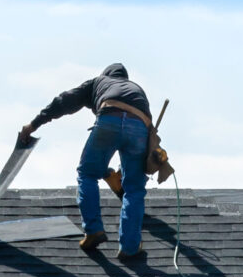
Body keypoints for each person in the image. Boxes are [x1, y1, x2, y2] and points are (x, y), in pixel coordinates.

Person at [22, 63, 163, 262]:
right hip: (140, 127)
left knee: (87, 173)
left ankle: (93, 230)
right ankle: (130, 247)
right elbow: (138, 133)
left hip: (109, 119)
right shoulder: (136, 90)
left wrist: (33, 124)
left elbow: (64, 101)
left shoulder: (99, 82)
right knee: (134, 190)